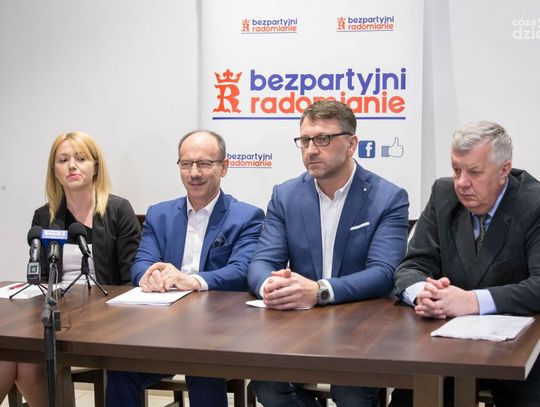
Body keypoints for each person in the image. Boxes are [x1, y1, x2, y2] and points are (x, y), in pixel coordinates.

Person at [247, 100, 409, 407]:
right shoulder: (285, 195)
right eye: (305, 140)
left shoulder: (388, 197)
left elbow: (384, 272)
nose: (311, 150)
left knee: (351, 394)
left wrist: (320, 291)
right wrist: (271, 286)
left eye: (323, 139)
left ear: (351, 144)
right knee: (266, 385)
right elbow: (262, 261)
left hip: (362, 322)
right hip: (300, 323)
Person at [106, 130, 265, 407]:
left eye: (204, 163)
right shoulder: (159, 214)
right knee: (121, 369)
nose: (194, 173)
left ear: (224, 167)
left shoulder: (246, 216)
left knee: (201, 367)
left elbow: (242, 271)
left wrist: (193, 281)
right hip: (163, 329)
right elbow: (141, 263)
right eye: (186, 164)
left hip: (218, 331)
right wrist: (149, 276)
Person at [392, 121, 540, 407]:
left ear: (504, 171)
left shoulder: (533, 204)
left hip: (522, 350)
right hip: (447, 346)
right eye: (456, 169)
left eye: (474, 172)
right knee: (408, 400)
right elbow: (412, 265)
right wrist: (425, 294)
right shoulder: (443, 194)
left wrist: (472, 301)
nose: (461, 182)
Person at [0, 131, 141, 406]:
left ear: (95, 166)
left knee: (25, 362)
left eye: (80, 158)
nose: (72, 166)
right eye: (63, 160)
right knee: (11, 357)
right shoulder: (45, 215)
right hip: (58, 314)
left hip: (107, 318)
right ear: (54, 171)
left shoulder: (118, 210)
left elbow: (129, 278)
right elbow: (42, 279)